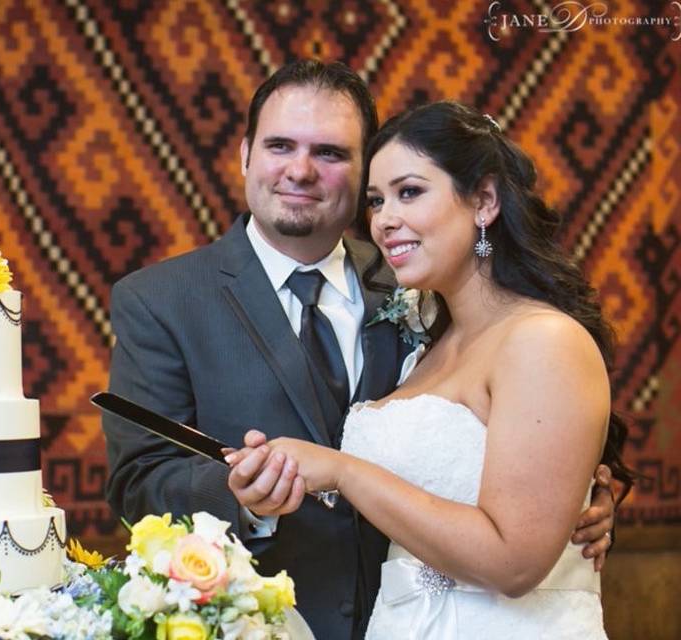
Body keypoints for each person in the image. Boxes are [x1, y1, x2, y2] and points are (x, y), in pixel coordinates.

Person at [102, 61, 615, 639]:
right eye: (279, 146)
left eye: (329, 153)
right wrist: (242, 498)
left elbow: (530, 436)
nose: (300, 170)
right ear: (246, 153)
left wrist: (579, 503)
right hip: (262, 623)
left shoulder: (422, 282)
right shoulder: (161, 300)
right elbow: (137, 481)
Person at [228, 100, 633, 638]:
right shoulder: (425, 346)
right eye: (375, 200)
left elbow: (514, 563)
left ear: (484, 200)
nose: (385, 219)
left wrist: (343, 470)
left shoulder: (543, 339)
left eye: (409, 192)